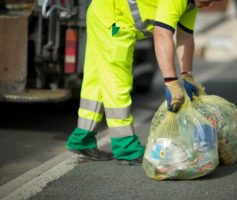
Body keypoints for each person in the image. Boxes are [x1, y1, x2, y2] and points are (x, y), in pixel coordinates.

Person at [65, 0, 221, 165]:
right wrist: (171, 82)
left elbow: (185, 37)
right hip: (112, 18)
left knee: (96, 81)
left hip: (104, 12)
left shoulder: (192, 4)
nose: (210, 4)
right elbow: (162, 35)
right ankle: (126, 148)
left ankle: (82, 138)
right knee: (117, 83)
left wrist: (187, 75)